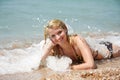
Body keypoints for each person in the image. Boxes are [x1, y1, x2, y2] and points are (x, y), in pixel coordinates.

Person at [40, 19, 120, 70]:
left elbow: (91, 65)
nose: (57, 37)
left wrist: (68, 68)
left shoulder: (77, 40)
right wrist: (47, 49)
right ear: (50, 38)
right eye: (53, 36)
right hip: (94, 45)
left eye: (59, 32)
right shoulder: (53, 49)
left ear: (65, 30)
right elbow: (40, 64)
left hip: (109, 50)